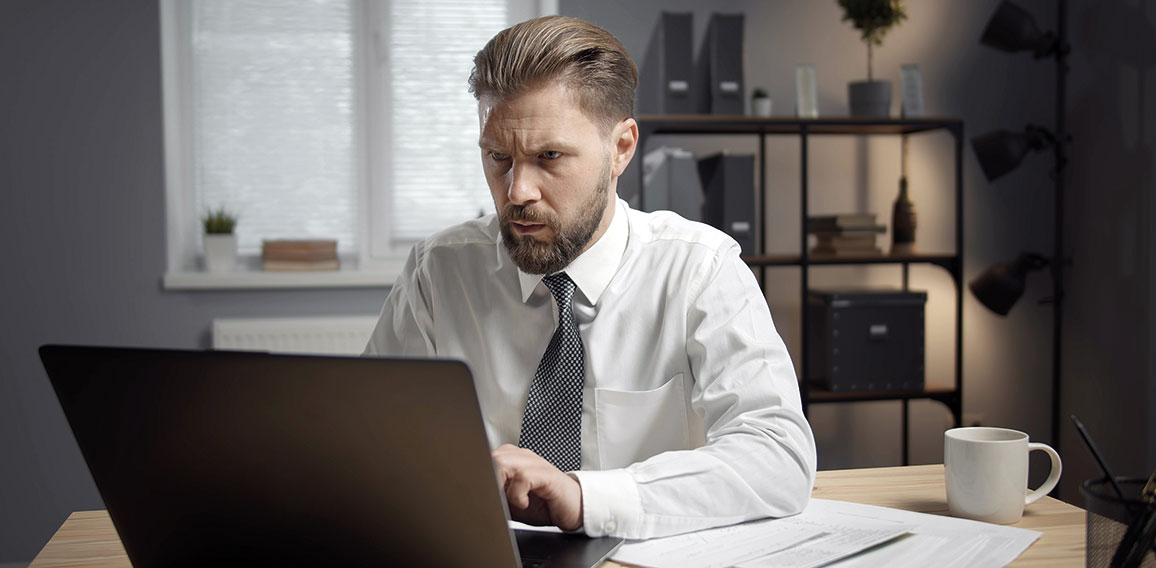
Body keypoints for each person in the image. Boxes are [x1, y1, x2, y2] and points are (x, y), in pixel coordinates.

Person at [364, 15, 816, 540]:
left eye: (548, 156)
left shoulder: (700, 270)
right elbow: (372, 440)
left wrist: (587, 498)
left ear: (621, 149)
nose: (517, 192)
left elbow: (778, 454)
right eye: (498, 158)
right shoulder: (438, 271)